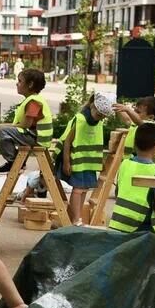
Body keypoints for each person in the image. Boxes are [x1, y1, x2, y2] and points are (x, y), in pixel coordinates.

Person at [58, 92, 115, 226]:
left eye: (103, 117)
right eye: (99, 115)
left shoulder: (98, 123)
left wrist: (99, 160)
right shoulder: (80, 119)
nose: (101, 119)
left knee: (83, 190)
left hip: (88, 163)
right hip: (76, 161)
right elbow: (67, 142)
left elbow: (95, 141)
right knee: (78, 190)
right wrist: (66, 162)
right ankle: (76, 219)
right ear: (92, 106)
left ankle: (77, 218)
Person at [107, 123, 155, 234]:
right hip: (140, 225)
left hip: (118, 221)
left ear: (135, 144)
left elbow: (118, 192)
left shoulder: (124, 164)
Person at [0, 68, 53, 173]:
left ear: (30, 84)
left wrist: (4, 126)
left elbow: (25, 125)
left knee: (3, 131)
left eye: (20, 81)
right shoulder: (32, 99)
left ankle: (13, 161)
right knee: (3, 129)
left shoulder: (34, 102)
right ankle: (17, 160)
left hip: (36, 138)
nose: (17, 84)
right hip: (35, 135)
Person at [115, 96, 155, 161]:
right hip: (133, 163)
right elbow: (127, 119)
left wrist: (128, 110)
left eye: (138, 112)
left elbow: (141, 123)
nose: (133, 113)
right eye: (134, 111)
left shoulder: (152, 127)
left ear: (151, 117)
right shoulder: (136, 124)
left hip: (150, 165)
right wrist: (116, 106)